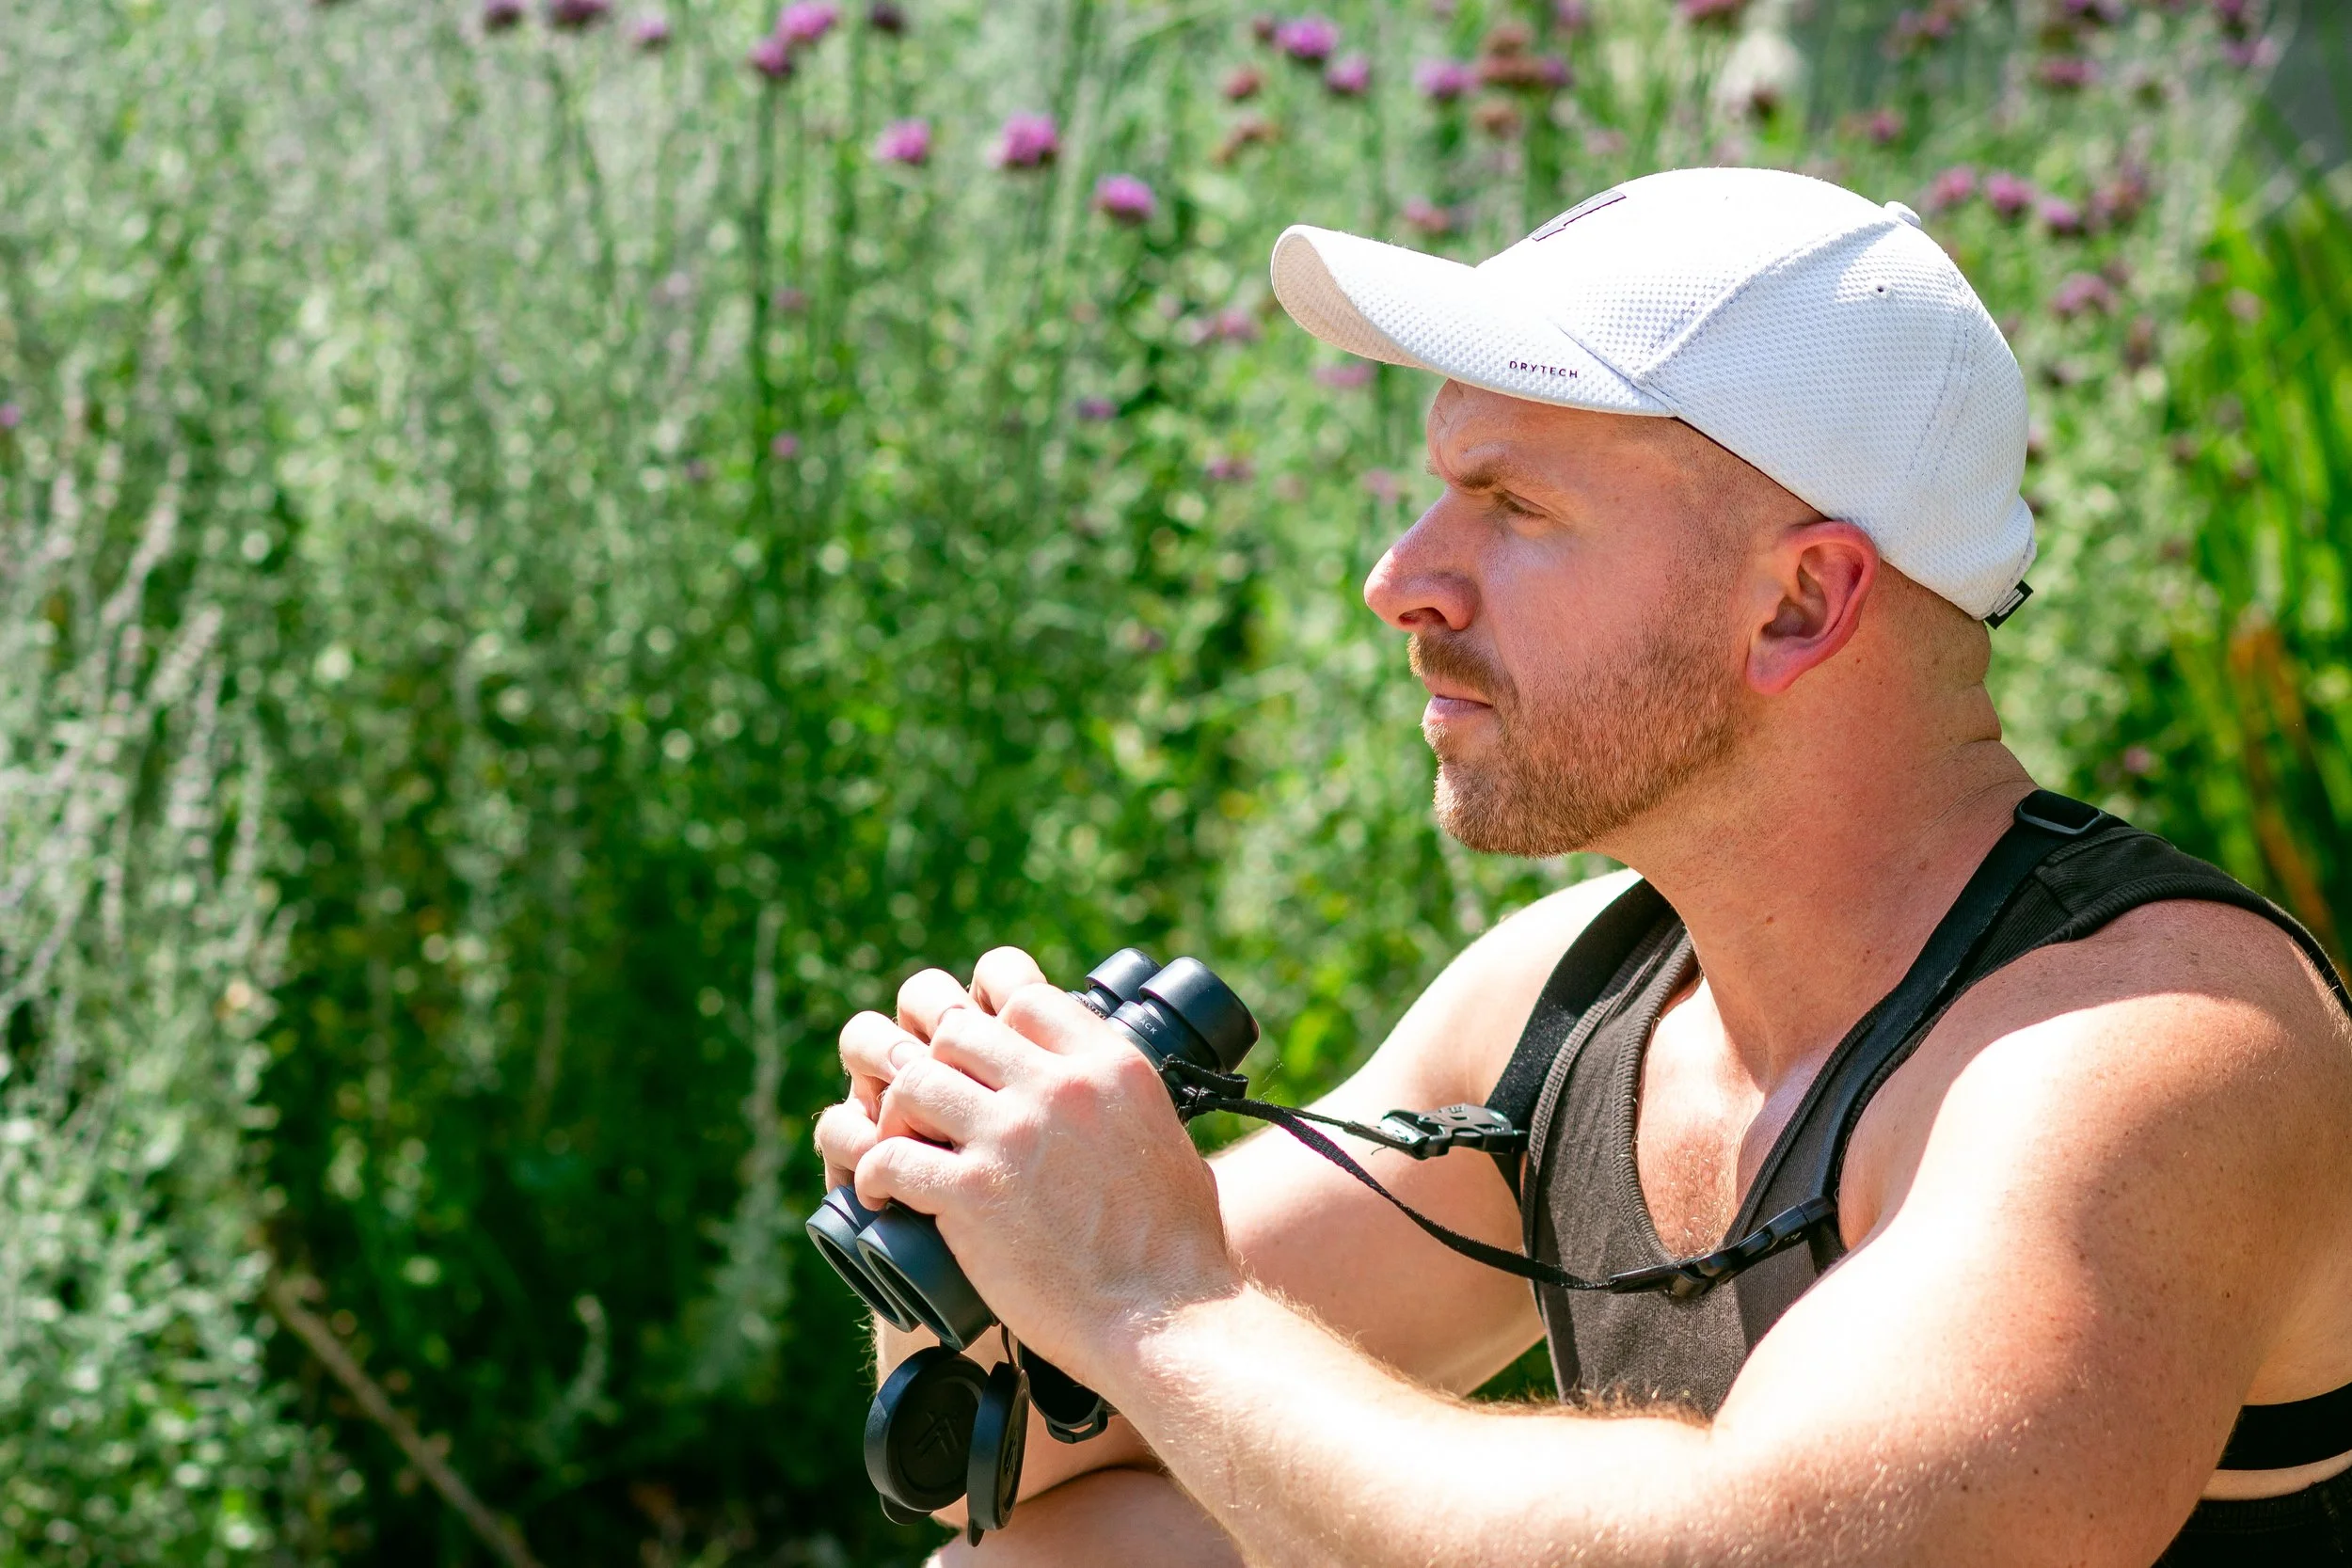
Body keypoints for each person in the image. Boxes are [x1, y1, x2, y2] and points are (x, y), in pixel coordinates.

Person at [812, 168, 2352, 1566]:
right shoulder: (1578, 996)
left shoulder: (2150, 1047)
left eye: (1514, 507)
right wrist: (972, 1203)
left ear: (1801, 603)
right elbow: (1008, 1464)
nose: (1399, 577)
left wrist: (1158, 1300)